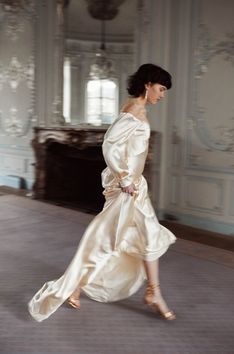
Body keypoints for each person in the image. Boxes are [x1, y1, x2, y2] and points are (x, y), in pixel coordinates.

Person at [28, 63, 177, 322]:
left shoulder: (137, 108)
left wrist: (131, 179)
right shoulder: (134, 111)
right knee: (107, 240)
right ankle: (76, 287)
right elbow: (109, 145)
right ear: (148, 84)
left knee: (145, 237)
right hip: (127, 190)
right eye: (161, 89)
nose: (162, 95)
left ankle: (153, 292)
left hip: (135, 187)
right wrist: (124, 178)